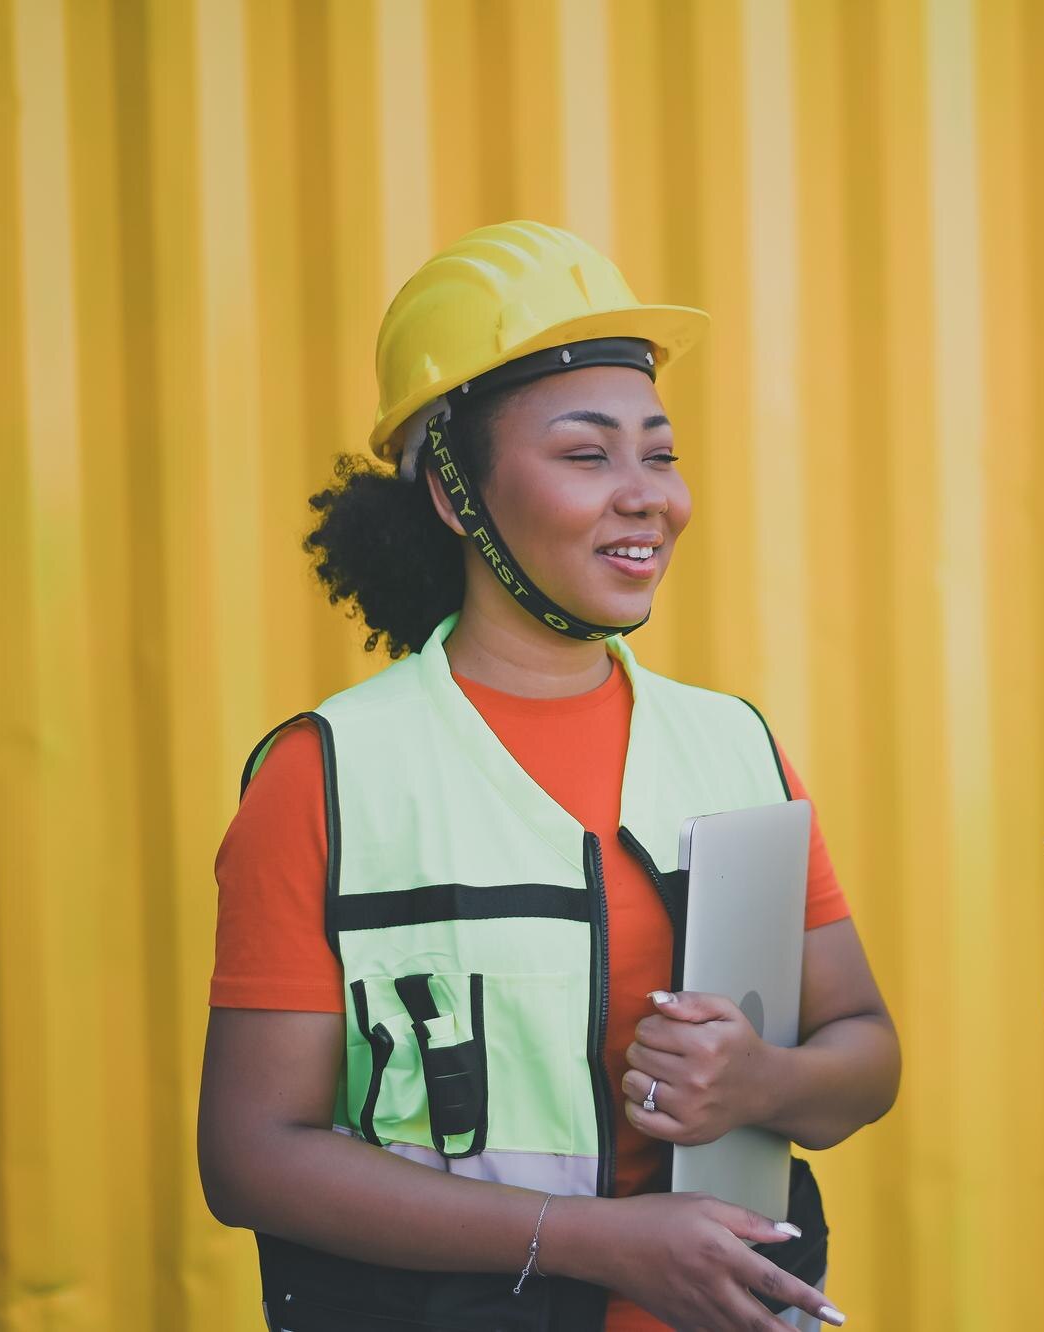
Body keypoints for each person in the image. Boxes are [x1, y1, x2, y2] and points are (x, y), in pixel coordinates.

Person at [198, 221, 898, 1332]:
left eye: (659, 453)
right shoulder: (326, 774)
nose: (647, 495)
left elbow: (864, 1051)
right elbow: (250, 1158)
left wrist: (761, 1082)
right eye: (586, 455)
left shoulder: (730, 743)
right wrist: (593, 1242)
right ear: (452, 493)